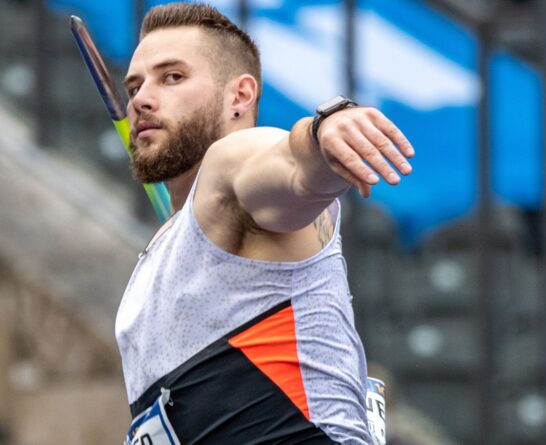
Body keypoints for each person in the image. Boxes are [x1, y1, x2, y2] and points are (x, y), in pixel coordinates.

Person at [114, 3, 414, 444]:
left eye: (172, 77)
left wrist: (323, 133)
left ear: (239, 95)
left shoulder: (231, 165)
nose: (141, 98)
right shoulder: (169, 244)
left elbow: (290, 168)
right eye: (134, 85)